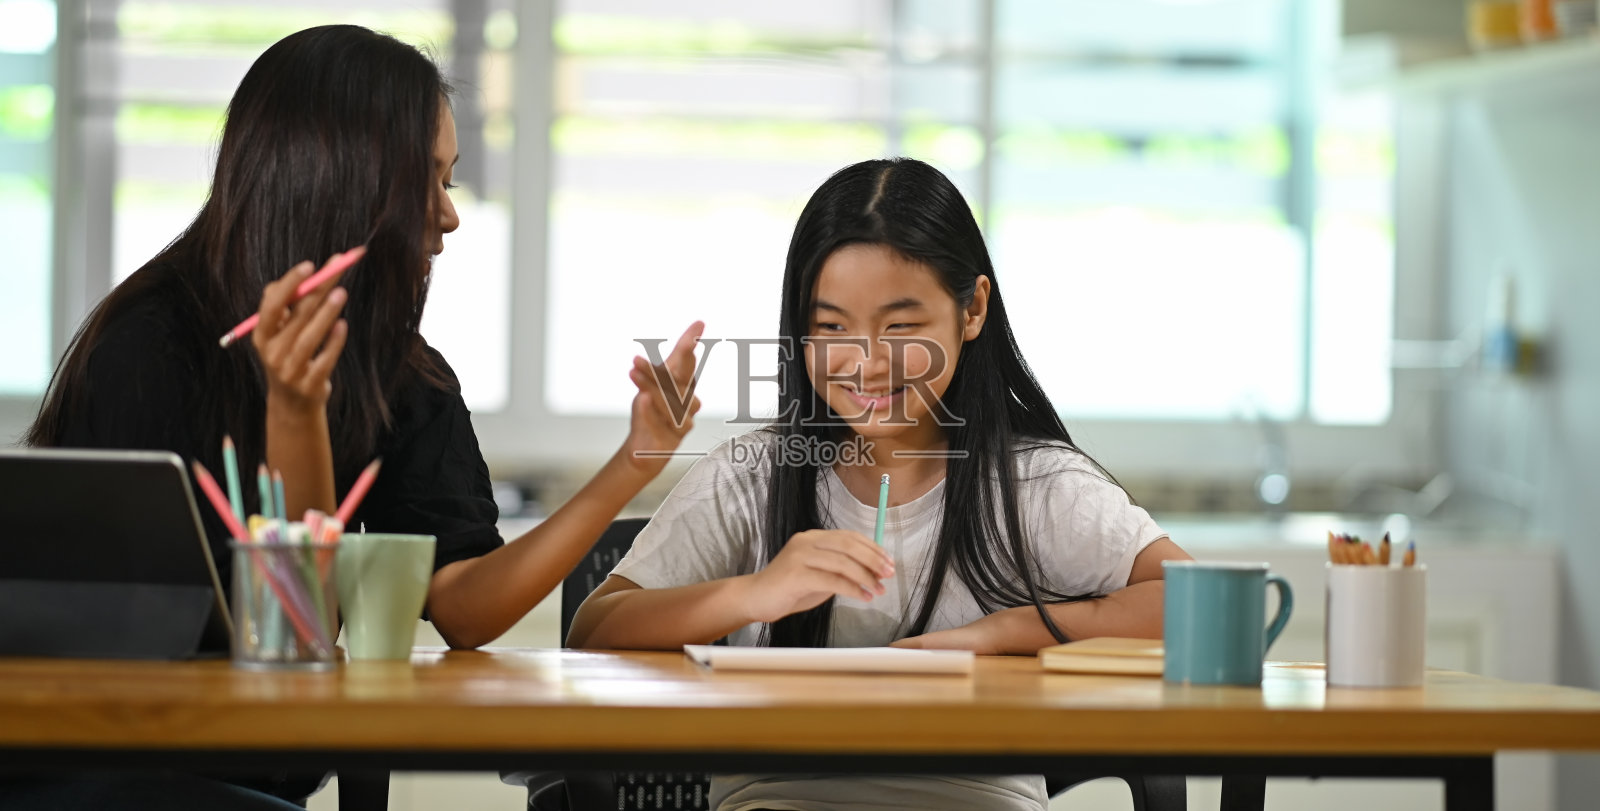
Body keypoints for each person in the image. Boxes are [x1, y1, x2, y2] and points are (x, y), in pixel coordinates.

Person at [17, 24, 701, 808]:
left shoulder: (401, 373)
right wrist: (297, 413)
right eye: (431, 181)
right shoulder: (146, 348)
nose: (449, 216)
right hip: (114, 767)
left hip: (255, 782)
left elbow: (467, 606)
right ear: (344, 182)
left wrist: (635, 459)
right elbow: (280, 634)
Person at [568, 157, 1192, 811]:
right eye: (832, 327)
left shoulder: (1033, 483)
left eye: (900, 326)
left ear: (972, 308)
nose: (866, 363)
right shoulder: (751, 476)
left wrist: (1000, 633)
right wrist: (755, 592)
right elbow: (596, 630)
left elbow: (1191, 608)